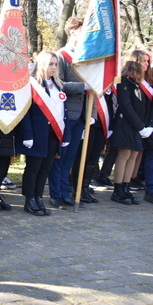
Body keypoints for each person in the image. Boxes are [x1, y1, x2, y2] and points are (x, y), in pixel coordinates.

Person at [17, 51, 70, 216]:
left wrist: (65, 134)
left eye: (55, 64)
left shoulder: (58, 85)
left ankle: (39, 197)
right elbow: (25, 112)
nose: (53, 67)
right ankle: (29, 199)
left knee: (45, 168)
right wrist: (27, 135)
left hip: (54, 132)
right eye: (50, 64)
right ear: (41, 65)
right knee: (33, 167)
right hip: (37, 132)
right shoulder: (32, 84)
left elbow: (62, 111)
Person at [49, 17, 89, 208]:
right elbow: (59, 84)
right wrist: (83, 86)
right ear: (73, 31)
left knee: (71, 156)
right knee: (60, 155)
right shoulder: (61, 56)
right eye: (83, 29)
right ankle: (55, 193)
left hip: (80, 114)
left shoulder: (85, 55)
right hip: (65, 114)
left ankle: (65, 192)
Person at [110, 56, 152, 204]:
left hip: (138, 125)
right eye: (144, 61)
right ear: (136, 62)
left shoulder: (140, 83)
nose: (147, 64)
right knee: (124, 155)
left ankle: (126, 188)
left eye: (148, 61)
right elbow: (126, 106)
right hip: (125, 124)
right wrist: (140, 126)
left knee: (133, 155)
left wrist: (145, 125)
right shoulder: (125, 80)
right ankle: (118, 189)